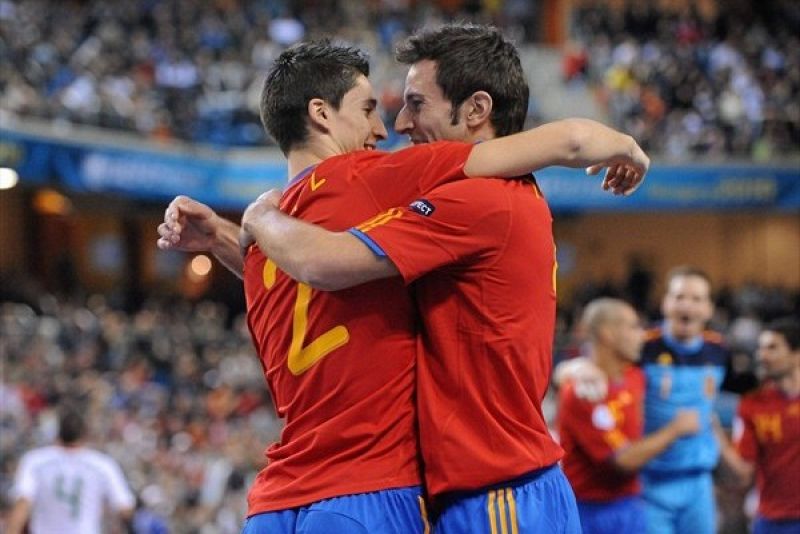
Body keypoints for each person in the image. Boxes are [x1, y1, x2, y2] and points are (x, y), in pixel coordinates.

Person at [159, 27, 647, 533]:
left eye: (414, 104)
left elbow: (319, 265)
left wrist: (255, 221)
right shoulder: (372, 186)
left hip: (490, 485)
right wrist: (232, 235)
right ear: (321, 113)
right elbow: (315, 271)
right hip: (398, 489)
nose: (393, 125)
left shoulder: (475, 200)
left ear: (477, 109)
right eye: (372, 108)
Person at [555, 266, 730, 534]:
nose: (687, 306)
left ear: (709, 308)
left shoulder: (717, 349)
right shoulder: (642, 347)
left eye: (696, 299)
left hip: (697, 482)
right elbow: (599, 360)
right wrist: (572, 368)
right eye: (680, 296)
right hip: (648, 483)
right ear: (665, 303)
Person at [715, 317, 800, 534]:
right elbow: (743, 473)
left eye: (772, 348)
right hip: (771, 521)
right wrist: (714, 431)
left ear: (796, 354)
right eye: (760, 348)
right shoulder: (751, 406)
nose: (762, 356)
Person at [6, 406, 135, 534]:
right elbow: (124, 508)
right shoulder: (102, 464)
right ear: (85, 434)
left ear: (58, 432)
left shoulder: (35, 460)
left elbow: (22, 504)